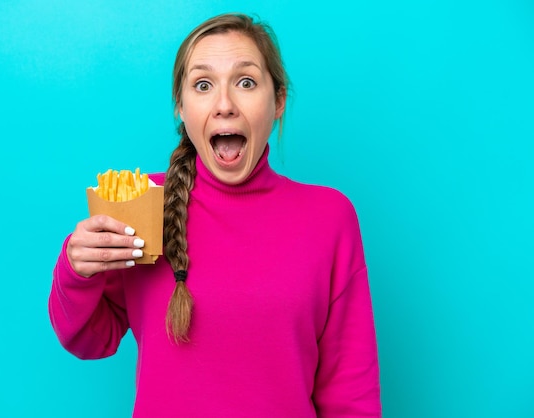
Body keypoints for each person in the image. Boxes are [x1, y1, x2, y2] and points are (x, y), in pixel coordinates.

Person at [49, 12, 381, 417]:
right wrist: (76, 268)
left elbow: (350, 394)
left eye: (245, 82)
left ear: (278, 101)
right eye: (203, 85)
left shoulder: (330, 218)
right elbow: (89, 339)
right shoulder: (142, 201)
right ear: (181, 108)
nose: (224, 105)